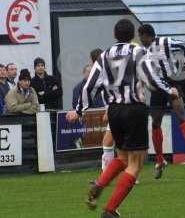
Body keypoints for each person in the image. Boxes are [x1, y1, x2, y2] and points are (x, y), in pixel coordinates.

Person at [66, 19, 175, 218]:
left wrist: (79, 110)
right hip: (134, 109)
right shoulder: (139, 53)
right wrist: (170, 91)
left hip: (114, 111)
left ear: (114, 35)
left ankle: (99, 185)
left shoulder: (103, 56)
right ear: (132, 36)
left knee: (122, 157)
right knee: (136, 164)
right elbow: (152, 80)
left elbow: (89, 87)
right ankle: (110, 210)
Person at [138, 24, 185, 179]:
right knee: (155, 123)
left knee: (181, 116)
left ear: (147, 35)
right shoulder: (143, 51)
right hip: (157, 88)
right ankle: (160, 160)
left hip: (172, 83)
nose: (140, 39)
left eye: (141, 36)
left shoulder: (165, 42)